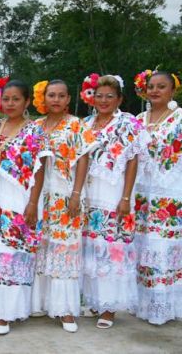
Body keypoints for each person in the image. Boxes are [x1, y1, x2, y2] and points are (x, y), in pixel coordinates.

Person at [0, 78, 50, 335]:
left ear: (26, 102)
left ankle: (8, 313)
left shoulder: (35, 131)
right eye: (6, 99)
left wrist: (33, 203)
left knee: (12, 255)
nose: (11, 103)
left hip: (19, 199)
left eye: (16, 99)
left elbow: (40, 171)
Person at [81, 75, 149, 329]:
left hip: (114, 194)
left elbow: (132, 160)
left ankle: (110, 308)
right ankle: (96, 301)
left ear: (119, 99)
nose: (104, 100)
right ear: (92, 98)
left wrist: (125, 197)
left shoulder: (127, 124)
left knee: (112, 248)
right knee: (93, 247)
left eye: (110, 96)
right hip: (90, 195)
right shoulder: (86, 124)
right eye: (99, 95)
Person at [30, 78, 96, 332]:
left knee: (64, 248)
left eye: (61, 95)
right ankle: (40, 304)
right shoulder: (35, 126)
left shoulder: (76, 125)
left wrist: (77, 193)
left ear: (69, 99)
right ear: (43, 99)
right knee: (40, 247)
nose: (55, 99)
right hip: (38, 197)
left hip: (65, 194)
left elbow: (83, 159)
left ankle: (66, 310)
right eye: (51, 95)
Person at [133, 69, 182, 325]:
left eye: (161, 86)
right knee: (142, 246)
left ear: (172, 90)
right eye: (151, 86)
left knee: (162, 247)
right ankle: (141, 303)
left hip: (170, 194)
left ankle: (162, 308)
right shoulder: (139, 118)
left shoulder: (180, 118)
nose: (155, 91)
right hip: (141, 193)